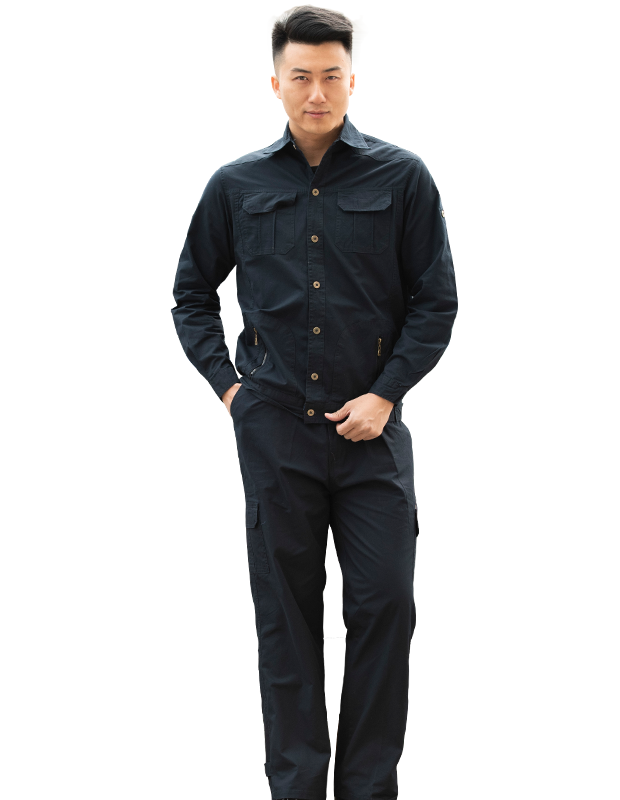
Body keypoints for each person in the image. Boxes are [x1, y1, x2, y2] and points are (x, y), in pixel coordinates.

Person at [171, 5, 458, 798]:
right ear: (276, 84)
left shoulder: (402, 178)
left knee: (386, 606)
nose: (317, 92)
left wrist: (386, 394)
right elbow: (191, 295)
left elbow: (436, 301)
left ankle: (367, 790)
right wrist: (233, 392)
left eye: (332, 75)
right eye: (301, 76)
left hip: (373, 439)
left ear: (352, 81)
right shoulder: (236, 186)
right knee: (286, 624)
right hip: (276, 438)